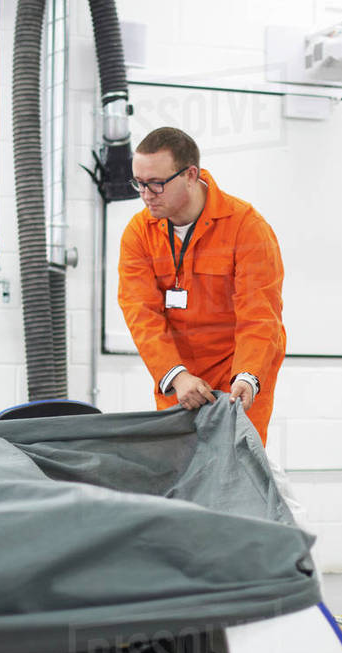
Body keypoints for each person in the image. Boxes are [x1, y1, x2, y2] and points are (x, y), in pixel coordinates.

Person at [117, 127, 286, 445]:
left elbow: (259, 314)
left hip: (236, 372)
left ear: (190, 175)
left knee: (237, 463)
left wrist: (248, 376)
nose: (146, 194)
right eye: (139, 183)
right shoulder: (139, 233)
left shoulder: (246, 227)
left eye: (156, 183)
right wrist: (176, 375)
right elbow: (141, 314)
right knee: (178, 464)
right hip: (178, 373)